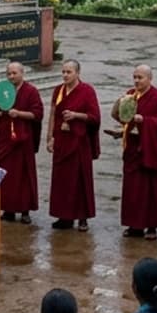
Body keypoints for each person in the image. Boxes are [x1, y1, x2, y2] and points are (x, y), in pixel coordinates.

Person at [109, 64, 157, 240]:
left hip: (149, 148)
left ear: (150, 79)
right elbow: (121, 117)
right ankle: (134, 225)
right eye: (135, 77)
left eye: (140, 77)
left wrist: (144, 120)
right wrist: (120, 109)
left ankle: (152, 226)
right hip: (132, 147)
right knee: (132, 189)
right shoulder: (130, 95)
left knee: (150, 189)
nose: (136, 81)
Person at [48, 59, 101, 231]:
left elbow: (95, 117)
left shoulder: (87, 91)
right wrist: (50, 137)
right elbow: (53, 114)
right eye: (63, 72)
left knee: (80, 181)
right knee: (62, 181)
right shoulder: (58, 90)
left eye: (69, 72)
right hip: (61, 141)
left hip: (79, 143)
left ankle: (82, 218)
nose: (65, 75)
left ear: (77, 73)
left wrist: (76, 115)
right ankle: (64, 217)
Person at [0, 61, 43, 224]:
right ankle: (9, 210)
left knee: (24, 175)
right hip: (6, 138)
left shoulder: (31, 91)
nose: (11, 76)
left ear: (22, 73)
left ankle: (25, 211)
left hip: (23, 139)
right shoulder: (2, 90)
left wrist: (19, 113)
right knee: (7, 174)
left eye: (14, 73)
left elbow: (37, 114)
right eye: (9, 74)